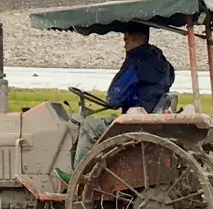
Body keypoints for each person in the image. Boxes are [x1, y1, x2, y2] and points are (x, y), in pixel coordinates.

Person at [67, 26, 176, 176]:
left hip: (136, 121)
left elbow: (113, 98)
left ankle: (78, 176)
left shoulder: (136, 61)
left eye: (126, 40)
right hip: (150, 116)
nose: (124, 45)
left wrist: (118, 98)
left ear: (137, 40)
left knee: (89, 127)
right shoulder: (163, 63)